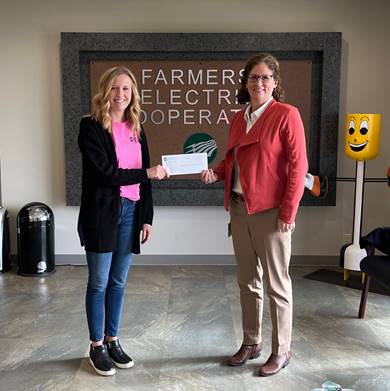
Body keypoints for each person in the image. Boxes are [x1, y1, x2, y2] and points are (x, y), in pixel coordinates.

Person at [201, 53, 308, 376]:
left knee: (277, 285)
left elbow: (299, 166)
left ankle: (282, 350)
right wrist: (216, 173)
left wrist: (289, 211)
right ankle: (252, 342)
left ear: (275, 83)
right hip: (239, 207)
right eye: (253, 78)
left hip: (271, 212)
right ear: (245, 83)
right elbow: (233, 161)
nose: (258, 83)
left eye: (265, 78)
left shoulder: (286, 115)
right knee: (247, 281)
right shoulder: (238, 118)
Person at [77, 66, 169, 376]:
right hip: (102, 213)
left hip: (131, 212)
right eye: (115, 88)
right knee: (99, 282)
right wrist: (146, 173)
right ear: (105, 91)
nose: (121, 94)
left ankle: (112, 339)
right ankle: (96, 346)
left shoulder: (137, 129)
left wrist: (147, 218)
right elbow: (105, 174)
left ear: (133, 94)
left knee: (118, 282)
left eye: (126, 89)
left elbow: (146, 183)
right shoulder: (90, 127)